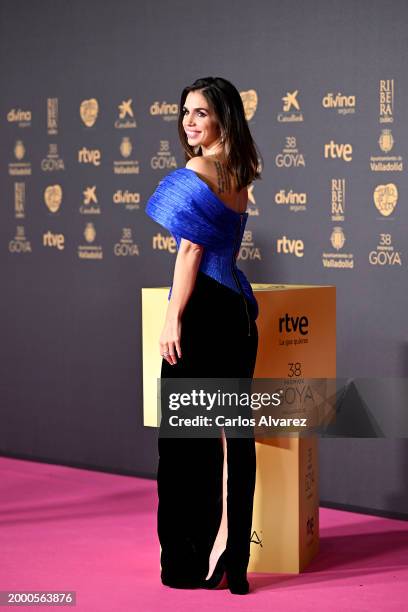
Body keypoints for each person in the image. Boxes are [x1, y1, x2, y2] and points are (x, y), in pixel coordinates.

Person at [145, 76, 262, 595]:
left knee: (186, 443)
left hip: (203, 313)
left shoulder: (200, 168)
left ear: (223, 119)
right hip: (236, 311)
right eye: (186, 112)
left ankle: (187, 565)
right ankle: (236, 564)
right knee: (237, 437)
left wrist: (172, 316)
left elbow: (190, 252)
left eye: (200, 113)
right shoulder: (241, 171)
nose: (189, 122)